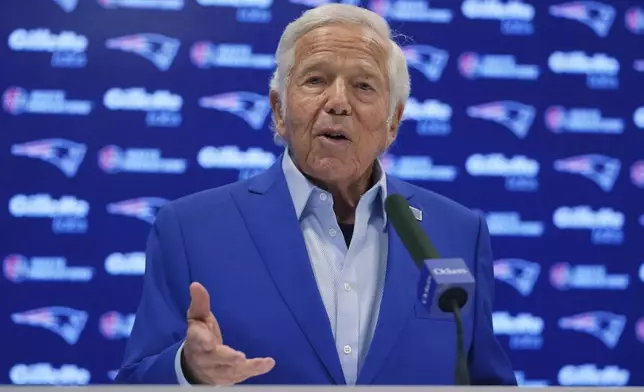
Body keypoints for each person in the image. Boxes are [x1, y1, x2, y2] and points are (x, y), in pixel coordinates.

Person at [114, 3, 517, 386]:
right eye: (315, 80)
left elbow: (486, 380)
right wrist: (188, 369)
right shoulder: (191, 230)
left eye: (363, 85)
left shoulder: (458, 233)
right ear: (278, 110)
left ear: (393, 122)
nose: (338, 103)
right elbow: (133, 383)